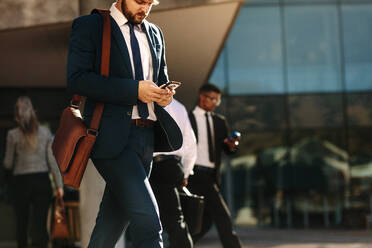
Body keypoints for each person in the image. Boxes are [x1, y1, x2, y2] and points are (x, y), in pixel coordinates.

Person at [66, 0, 182, 247]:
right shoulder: (91, 26)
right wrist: (134, 90)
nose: (145, 8)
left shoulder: (155, 33)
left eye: (150, 3)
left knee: (109, 227)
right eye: (140, 1)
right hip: (110, 138)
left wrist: (164, 94)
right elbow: (77, 79)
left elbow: (161, 78)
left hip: (146, 139)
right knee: (149, 223)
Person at [3, 96, 64, 248]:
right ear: (33, 112)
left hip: (21, 182)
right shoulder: (44, 133)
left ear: (17, 115)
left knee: (21, 224)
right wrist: (59, 186)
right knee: (40, 224)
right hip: (42, 181)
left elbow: (8, 163)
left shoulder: (13, 135)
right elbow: (52, 161)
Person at [188, 83, 242, 248]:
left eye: (217, 101)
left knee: (204, 222)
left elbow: (227, 149)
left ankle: (181, 244)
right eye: (212, 99)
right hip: (193, 174)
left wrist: (232, 145)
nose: (214, 104)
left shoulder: (219, 121)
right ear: (202, 97)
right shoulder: (187, 118)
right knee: (223, 217)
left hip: (211, 176)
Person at [150, 98, 197, 248]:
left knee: (153, 217)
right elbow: (190, 143)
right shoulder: (179, 106)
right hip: (173, 166)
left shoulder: (146, 101)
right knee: (174, 218)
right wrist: (186, 173)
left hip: (154, 165)